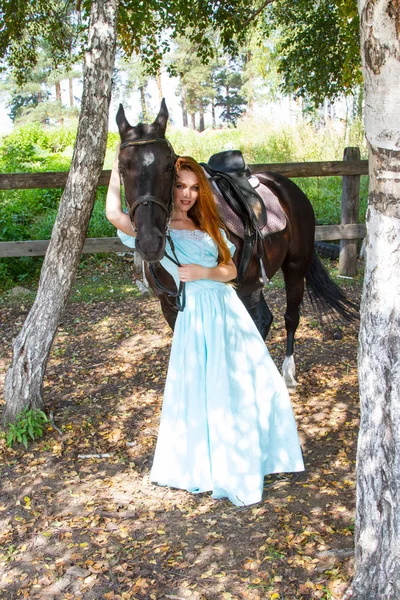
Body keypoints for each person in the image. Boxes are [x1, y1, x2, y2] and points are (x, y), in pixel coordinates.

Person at [106, 151, 304, 507]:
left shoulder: (208, 225)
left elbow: (230, 270)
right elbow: (113, 214)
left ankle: (259, 454)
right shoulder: (157, 230)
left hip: (228, 309)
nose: (187, 194)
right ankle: (206, 463)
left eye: (194, 188)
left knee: (251, 381)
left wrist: (204, 272)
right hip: (196, 316)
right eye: (180, 186)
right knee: (204, 384)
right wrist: (119, 172)